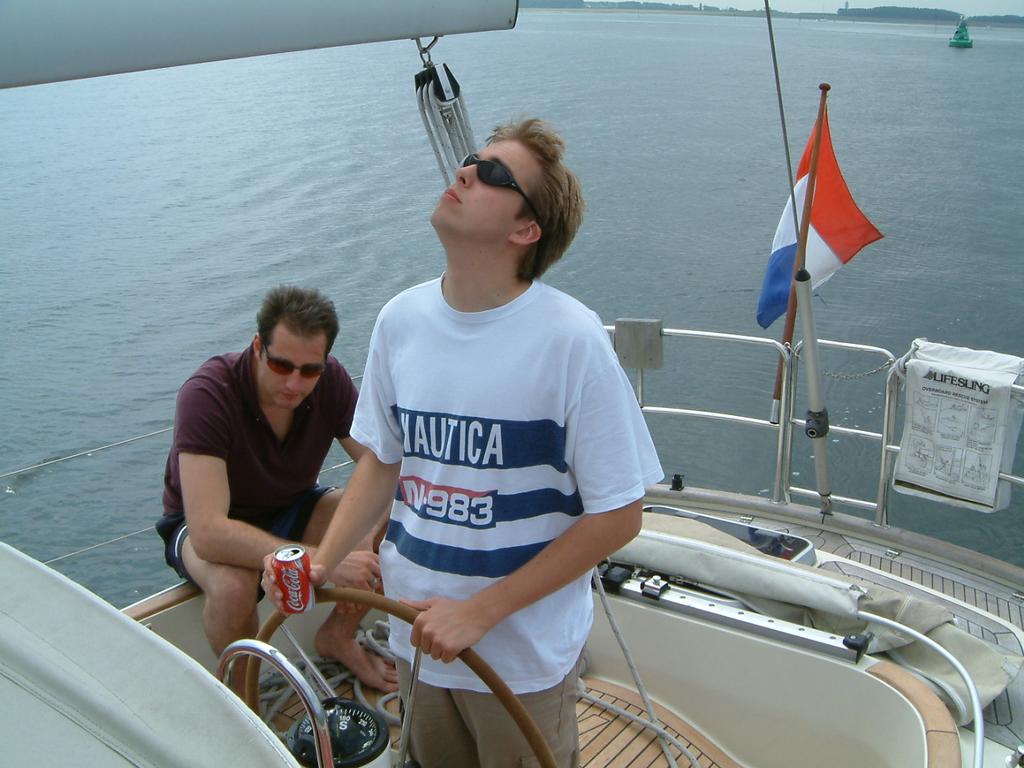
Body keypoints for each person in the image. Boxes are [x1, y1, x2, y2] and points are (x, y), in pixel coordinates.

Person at [263, 119, 662, 767]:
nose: (466, 171)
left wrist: (480, 613)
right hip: (413, 636)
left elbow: (619, 514)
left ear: (525, 230)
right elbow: (383, 463)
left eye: (494, 174)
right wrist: (323, 561)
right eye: (473, 160)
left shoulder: (571, 340)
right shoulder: (401, 321)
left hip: (518, 661)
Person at [157, 285, 397, 693]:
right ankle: (247, 702)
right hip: (205, 524)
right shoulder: (208, 394)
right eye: (281, 365)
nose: (294, 383)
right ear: (258, 347)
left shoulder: (331, 382)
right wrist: (327, 560)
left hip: (292, 504)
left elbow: (382, 466)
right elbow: (209, 531)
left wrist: (369, 532)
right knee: (233, 588)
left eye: (309, 371)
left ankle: (338, 635)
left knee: (396, 520)